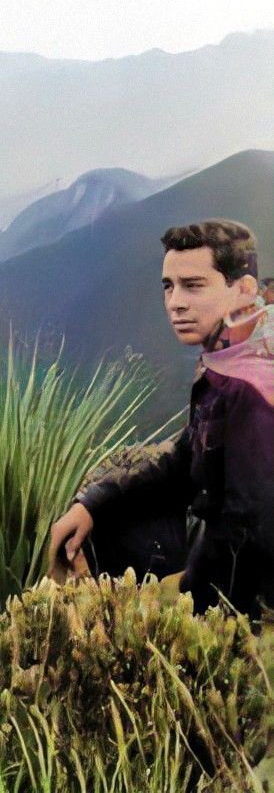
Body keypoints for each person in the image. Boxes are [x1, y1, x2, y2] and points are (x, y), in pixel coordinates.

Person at [49, 219, 274, 615]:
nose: (175, 303)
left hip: (252, 592)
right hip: (223, 554)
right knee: (110, 522)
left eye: (193, 285)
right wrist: (92, 503)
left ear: (244, 289)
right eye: (169, 286)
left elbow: (248, 533)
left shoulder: (255, 386)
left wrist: (174, 594)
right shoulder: (230, 355)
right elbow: (187, 456)